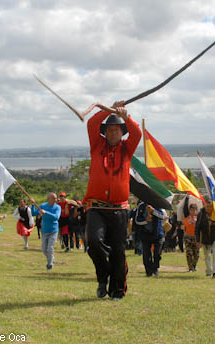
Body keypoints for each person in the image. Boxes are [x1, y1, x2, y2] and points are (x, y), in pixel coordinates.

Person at [83, 101, 141, 300]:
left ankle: (117, 290)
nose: (113, 133)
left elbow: (137, 134)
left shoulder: (127, 149)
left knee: (118, 251)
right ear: (105, 132)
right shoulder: (96, 144)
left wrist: (126, 116)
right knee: (94, 243)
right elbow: (91, 124)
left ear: (121, 133)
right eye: (109, 129)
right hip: (96, 207)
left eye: (117, 130)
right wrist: (107, 110)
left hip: (119, 209)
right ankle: (103, 277)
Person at [31, 193, 61, 271]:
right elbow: (33, 213)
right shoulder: (43, 206)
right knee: (44, 249)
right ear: (49, 199)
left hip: (53, 230)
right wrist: (33, 205)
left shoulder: (58, 207)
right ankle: (51, 257)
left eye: (56, 198)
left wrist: (46, 212)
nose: (55, 199)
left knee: (50, 248)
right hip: (44, 230)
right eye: (53, 198)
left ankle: (49, 264)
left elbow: (56, 217)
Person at [135, 202, 167, 277]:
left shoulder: (158, 205)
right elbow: (137, 220)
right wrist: (145, 220)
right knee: (146, 254)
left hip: (158, 233)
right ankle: (148, 271)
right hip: (145, 233)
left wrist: (153, 211)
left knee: (157, 253)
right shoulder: (141, 206)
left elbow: (162, 216)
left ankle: (155, 268)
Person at [196, 197, 215, 279]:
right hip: (205, 237)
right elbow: (197, 228)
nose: (208, 208)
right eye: (207, 206)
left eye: (210, 206)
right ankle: (209, 271)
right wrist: (198, 240)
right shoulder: (201, 214)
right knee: (207, 255)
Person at [183, 198, 200, 272]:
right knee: (189, 253)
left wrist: (195, 223)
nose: (193, 211)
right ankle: (190, 268)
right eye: (191, 210)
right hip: (187, 237)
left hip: (196, 238)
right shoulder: (187, 218)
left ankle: (194, 265)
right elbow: (184, 208)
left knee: (196, 254)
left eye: (194, 210)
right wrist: (187, 198)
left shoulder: (199, 219)